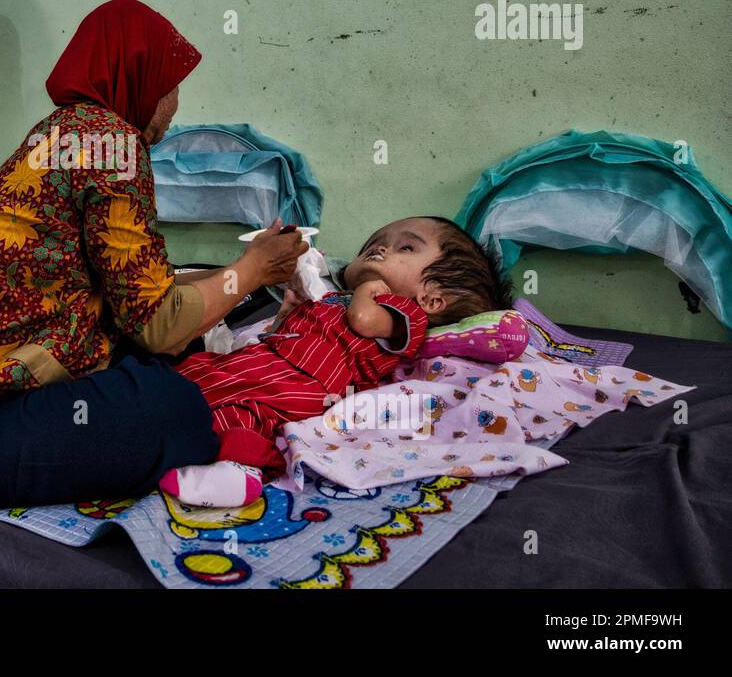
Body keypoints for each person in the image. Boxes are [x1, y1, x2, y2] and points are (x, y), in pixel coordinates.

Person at [0, 0, 309, 506]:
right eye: (170, 88)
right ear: (137, 75)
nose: (173, 106)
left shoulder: (62, 132)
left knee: (170, 353)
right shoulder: (115, 145)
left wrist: (234, 274)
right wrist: (253, 270)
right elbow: (158, 325)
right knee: (176, 408)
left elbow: (138, 290)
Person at [160, 217, 513, 507]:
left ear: (433, 299)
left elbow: (361, 321)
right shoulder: (337, 298)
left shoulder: (405, 312)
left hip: (308, 382)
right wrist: (289, 313)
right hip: (275, 360)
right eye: (375, 242)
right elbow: (285, 333)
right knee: (200, 373)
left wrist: (367, 288)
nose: (381, 248)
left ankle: (239, 472)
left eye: (405, 247)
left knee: (249, 410)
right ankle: (159, 419)